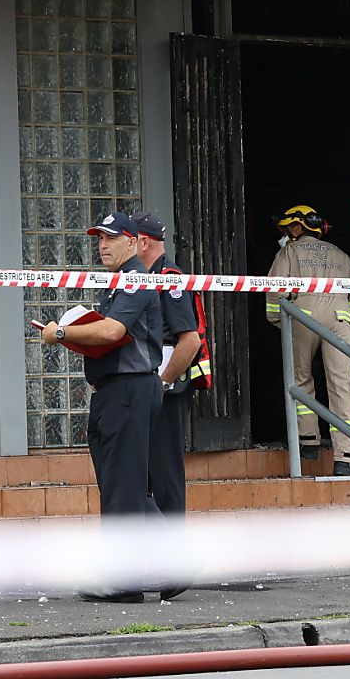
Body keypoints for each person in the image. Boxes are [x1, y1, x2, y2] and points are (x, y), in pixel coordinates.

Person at [40, 211, 163, 603]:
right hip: (114, 392)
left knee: (123, 489)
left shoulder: (135, 279)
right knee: (118, 485)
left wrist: (61, 332)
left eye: (111, 238)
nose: (102, 245)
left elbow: (113, 331)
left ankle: (124, 583)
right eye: (99, 239)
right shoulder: (114, 284)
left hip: (129, 389)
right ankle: (179, 559)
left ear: (133, 242)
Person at [265, 205, 350, 476]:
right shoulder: (341, 255)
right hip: (340, 317)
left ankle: (308, 441)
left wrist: (280, 321)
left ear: (297, 228)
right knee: (343, 385)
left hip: (302, 316)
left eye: (288, 229)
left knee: (300, 379)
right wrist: (348, 320)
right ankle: (347, 456)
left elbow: (274, 290)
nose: (286, 234)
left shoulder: (289, 251)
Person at [131, 211, 200, 515]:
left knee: (165, 473)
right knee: (146, 474)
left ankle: (174, 554)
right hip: (150, 388)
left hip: (167, 392)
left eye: (124, 240)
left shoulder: (168, 279)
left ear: (142, 242)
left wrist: (160, 384)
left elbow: (190, 341)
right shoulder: (145, 278)